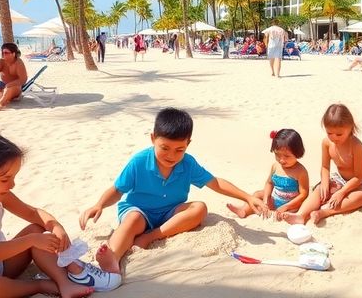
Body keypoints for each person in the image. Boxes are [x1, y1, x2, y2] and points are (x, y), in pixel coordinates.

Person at [78, 108, 267, 280]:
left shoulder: (188, 163)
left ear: (188, 144)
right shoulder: (139, 161)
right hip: (139, 211)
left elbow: (215, 183)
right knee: (133, 220)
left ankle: (150, 237)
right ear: (153, 138)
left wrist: (247, 197)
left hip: (170, 214)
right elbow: (118, 190)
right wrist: (99, 204)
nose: (171, 156)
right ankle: (112, 257)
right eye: (165, 148)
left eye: (179, 150)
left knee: (200, 208)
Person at [0, 132, 114, 297]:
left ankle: (64, 283)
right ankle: (38, 285)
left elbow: (33, 213)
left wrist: (55, 226)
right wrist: (31, 240)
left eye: (13, 177)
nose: (12, 185)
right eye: (5, 179)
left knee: (38, 229)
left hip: (2, 267)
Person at [281, 104, 362, 225]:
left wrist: (341, 192)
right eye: (329, 133)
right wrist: (325, 182)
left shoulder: (356, 146)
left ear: (350, 128)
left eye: (339, 134)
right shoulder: (326, 143)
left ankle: (324, 212)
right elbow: (325, 167)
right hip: (341, 179)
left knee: (361, 197)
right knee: (320, 189)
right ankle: (301, 215)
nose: (334, 138)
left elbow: (359, 177)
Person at [226, 129, 309, 218]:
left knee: (287, 214)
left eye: (287, 156)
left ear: (297, 153)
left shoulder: (301, 171)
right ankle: (244, 211)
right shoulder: (275, 166)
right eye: (277, 154)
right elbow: (269, 183)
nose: (281, 160)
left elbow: (304, 194)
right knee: (257, 194)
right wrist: (266, 198)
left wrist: (286, 206)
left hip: (291, 204)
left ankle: (269, 211)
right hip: (275, 198)